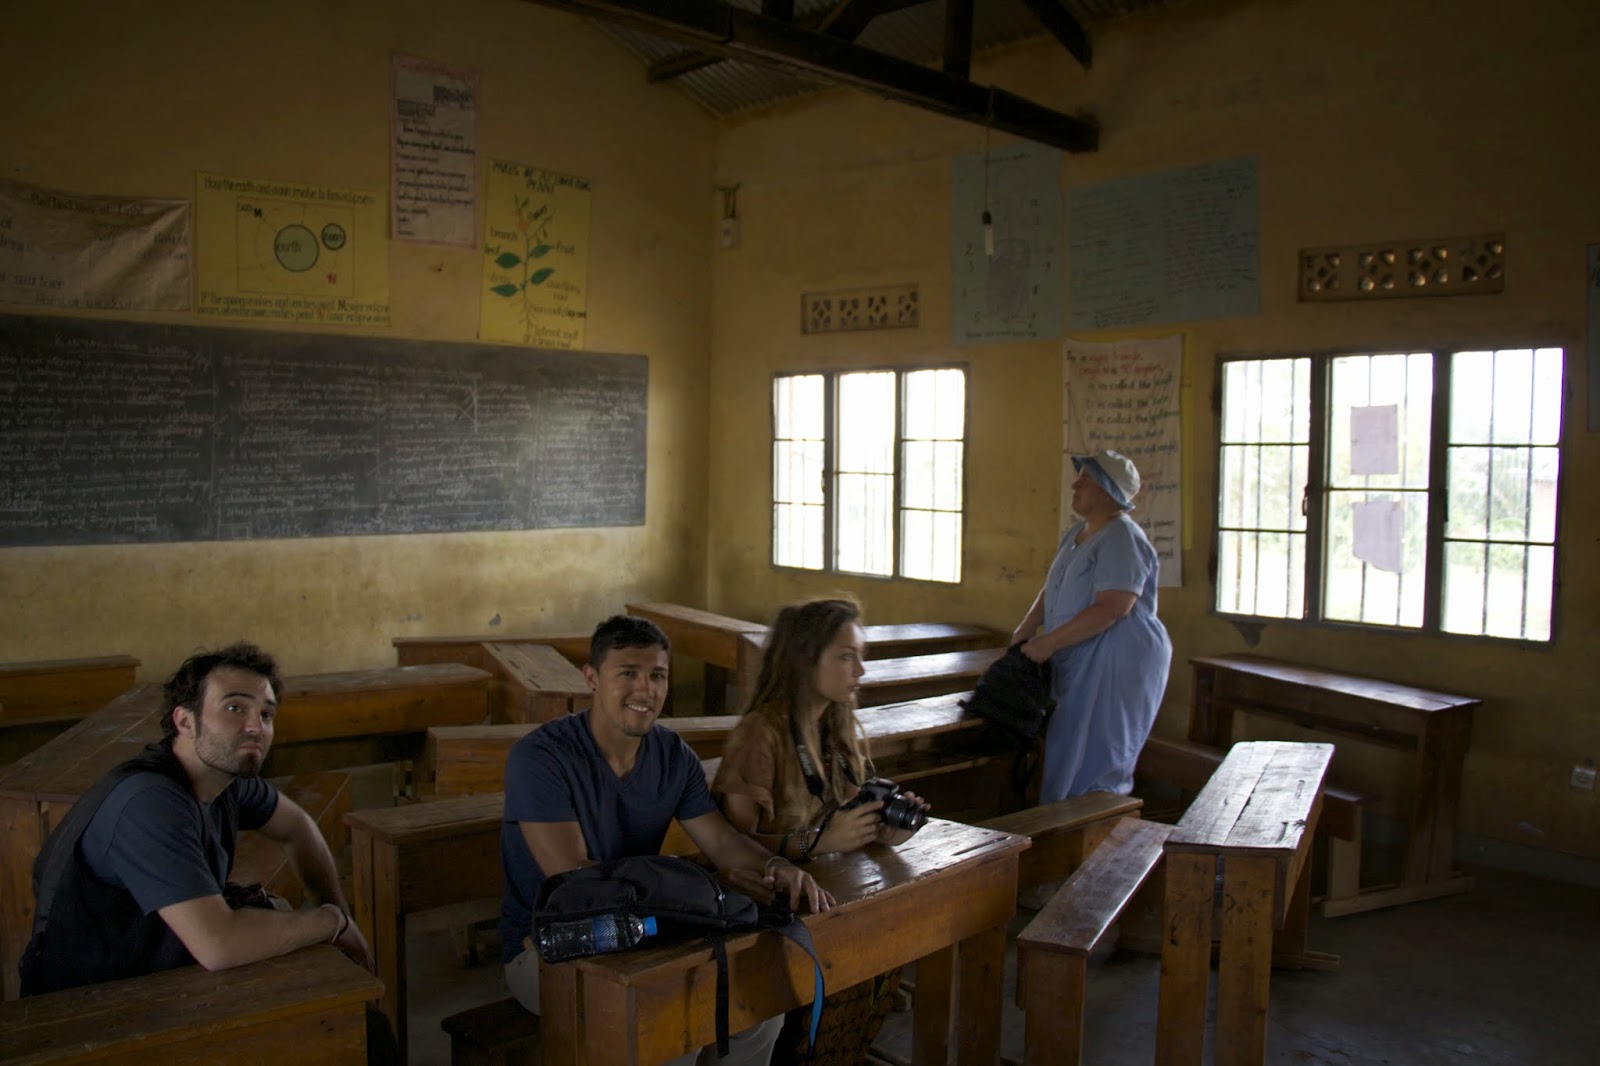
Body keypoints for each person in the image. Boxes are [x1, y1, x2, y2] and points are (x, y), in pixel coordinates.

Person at [500, 615, 832, 1066]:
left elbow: (721, 840)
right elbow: (576, 882)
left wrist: (776, 867)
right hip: (551, 948)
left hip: (647, 930)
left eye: (657, 675)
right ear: (592, 678)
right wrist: (694, 881)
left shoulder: (673, 755)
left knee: (757, 1012)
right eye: (628, 674)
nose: (646, 690)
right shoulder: (540, 758)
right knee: (672, 1029)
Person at [20, 641, 373, 996]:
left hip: (159, 967)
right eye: (235, 708)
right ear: (185, 720)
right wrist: (332, 921)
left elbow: (297, 827)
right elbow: (218, 945)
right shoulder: (149, 802)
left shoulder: (223, 777)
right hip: (94, 1002)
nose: (255, 726)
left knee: (335, 996)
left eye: (266, 714)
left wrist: (341, 915)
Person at [711, 598, 928, 1065]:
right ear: (806, 658)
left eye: (860, 657)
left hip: (835, 898)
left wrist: (878, 830)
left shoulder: (837, 728)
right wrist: (814, 844)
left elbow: (846, 813)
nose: (861, 672)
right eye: (846, 656)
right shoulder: (760, 735)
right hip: (776, 913)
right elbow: (728, 852)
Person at [1011, 449, 1172, 801]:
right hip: (1081, 655)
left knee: (1100, 751)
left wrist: (1049, 643)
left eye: (1084, 480)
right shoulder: (1077, 534)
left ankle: (1093, 829)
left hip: (1115, 662)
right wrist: (1028, 625)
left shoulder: (1121, 537)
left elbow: (1114, 607)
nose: (1075, 484)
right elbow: (1054, 585)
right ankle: (1060, 824)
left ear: (1105, 489)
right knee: (1068, 744)